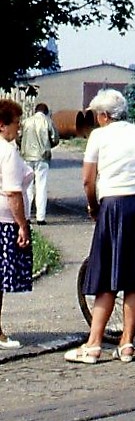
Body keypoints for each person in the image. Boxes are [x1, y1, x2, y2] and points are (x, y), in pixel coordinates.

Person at [65, 89, 135, 364]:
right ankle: (127, 344)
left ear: (104, 116)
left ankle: (94, 345)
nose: (97, 120)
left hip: (115, 206)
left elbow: (88, 179)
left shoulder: (99, 136)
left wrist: (93, 206)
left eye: (98, 115)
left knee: (107, 277)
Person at [0, 100, 33, 350]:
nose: (18, 128)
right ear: (2, 125)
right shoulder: (7, 151)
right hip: (4, 222)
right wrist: (22, 225)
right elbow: (12, 193)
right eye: (16, 123)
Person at [20, 102, 59, 225]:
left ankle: (27, 216)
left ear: (35, 111)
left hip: (27, 157)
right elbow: (55, 139)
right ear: (46, 112)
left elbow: (18, 138)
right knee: (41, 186)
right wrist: (48, 146)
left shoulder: (26, 122)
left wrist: (23, 148)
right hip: (43, 158)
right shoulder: (48, 122)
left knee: (27, 187)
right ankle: (40, 217)